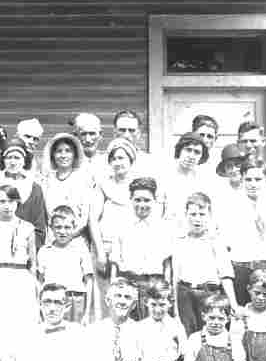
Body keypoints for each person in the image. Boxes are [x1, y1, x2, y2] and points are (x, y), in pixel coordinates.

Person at [221, 158, 266, 306]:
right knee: (242, 311)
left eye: (258, 179)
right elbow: (225, 243)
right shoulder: (230, 206)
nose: (253, 184)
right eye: (248, 179)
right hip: (241, 268)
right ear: (242, 180)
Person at [171, 192, 237, 336]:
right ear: (186, 215)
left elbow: (225, 275)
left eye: (202, 214)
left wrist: (233, 303)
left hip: (209, 295)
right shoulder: (179, 241)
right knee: (188, 335)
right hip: (185, 295)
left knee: (209, 334)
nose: (197, 219)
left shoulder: (216, 241)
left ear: (209, 215)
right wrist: (175, 309)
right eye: (193, 214)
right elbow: (175, 276)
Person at [91, 137, 141, 320]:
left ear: (131, 160)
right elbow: (93, 219)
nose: (118, 162)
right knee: (107, 298)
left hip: (130, 250)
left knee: (127, 297)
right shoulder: (103, 184)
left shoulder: (139, 186)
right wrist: (100, 252)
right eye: (114, 158)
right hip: (106, 247)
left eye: (122, 158)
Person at [0, 184, 39, 329]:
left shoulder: (27, 227)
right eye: (2, 201)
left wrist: (33, 285)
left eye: (11, 201)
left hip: (20, 278)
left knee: (20, 321)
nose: (7, 206)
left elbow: (33, 262)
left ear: (17, 202)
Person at [111, 177, 171, 319]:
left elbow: (167, 264)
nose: (142, 205)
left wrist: (166, 290)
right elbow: (115, 261)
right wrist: (113, 286)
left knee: (151, 325)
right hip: (128, 284)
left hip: (153, 285)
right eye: (137, 200)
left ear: (154, 200)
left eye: (146, 200)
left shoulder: (162, 227)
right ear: (131, 200)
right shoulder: (121, 225)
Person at [0, 137, 47, 248]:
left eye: (17, 158)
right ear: (3, 160)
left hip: (23, 250)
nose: (13, 162)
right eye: (9, 158)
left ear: (24, 160)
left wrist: (28, 249)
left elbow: (39, 228)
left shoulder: (34, 188)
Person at [36, 206, 93, 324]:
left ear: (74, 227)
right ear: (51, 228)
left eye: (67, 227)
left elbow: (89, 281)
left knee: (74, 332)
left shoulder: (81, 250)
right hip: (52, 300)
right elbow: (39, 282)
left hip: (75, 299)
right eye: (58, 227)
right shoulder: (45, 251)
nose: (62, 232)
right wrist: (38, 309)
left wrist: (87, 313)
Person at [160, 132, 210, 225]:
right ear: (179, 150)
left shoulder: (203, 181)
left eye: (197, 152)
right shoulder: (164, 178)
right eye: (188, 150)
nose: (191, 156)